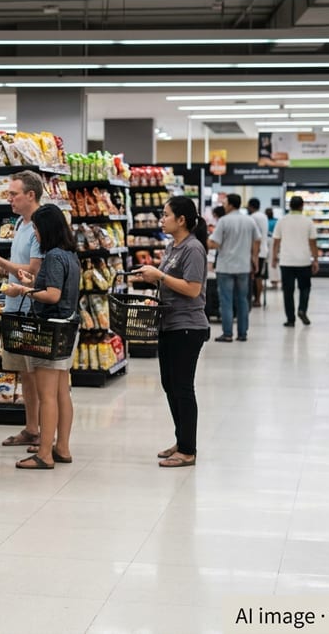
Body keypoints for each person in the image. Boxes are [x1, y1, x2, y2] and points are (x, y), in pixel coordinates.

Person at [1, 204, 80, 470]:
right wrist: (31, 284)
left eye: (36, 228)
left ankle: (44, 454)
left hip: (51, 329)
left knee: (47, 395)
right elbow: (52, 288)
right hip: (67, 328)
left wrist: (22, 291)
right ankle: (62, 448)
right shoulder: (70, 255)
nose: (34, 233)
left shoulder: (55, 256)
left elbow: (53, 295)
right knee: (61, 393)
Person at [134, 196, 209, 468]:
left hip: (188, 326)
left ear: (181, 220)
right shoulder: (172, 246)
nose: (161, 219)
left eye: (166, 215)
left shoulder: (193, 249)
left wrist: (161, 276)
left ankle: (188, 450)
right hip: (168, 322)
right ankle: (181, 438)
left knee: (183, 387)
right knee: (170, 385)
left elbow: (192, 289)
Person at [0, 171, 45, 450]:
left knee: (38, 375)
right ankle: (31, 428)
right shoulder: (20, 223)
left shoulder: (39, 227)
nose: (9, 198)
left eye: (13, 194)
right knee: (25, 374)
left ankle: (45, 432)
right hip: (15, 306)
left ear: (30, 195)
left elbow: (32, 271)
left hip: (31, 307)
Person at [207, 194, 260, 342]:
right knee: (243, 300)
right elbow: (257, 239)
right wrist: (254, 259)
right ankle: (242, 333)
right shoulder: (249, 220)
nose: (224, 205)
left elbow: (215, 243)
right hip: (244, 266)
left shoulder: (224, 221)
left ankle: (228, 333)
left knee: (226, 300)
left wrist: (206, 241)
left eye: (225, 203)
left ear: (230, 205)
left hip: (225, 267)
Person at [270, 195, 319, 327]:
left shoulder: (282, 221)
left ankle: (290, 319)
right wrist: (315, 259)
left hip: (286, 261)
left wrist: (274, 257)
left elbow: (276, 242)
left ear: (290, 206)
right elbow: (313, 242)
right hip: (303, 261)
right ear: (302, 206)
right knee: (305, 288)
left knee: (288, 291)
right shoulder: (308, 221)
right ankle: (302, 309)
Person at [247, 198, 269, 308]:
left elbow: (253, 236)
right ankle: (257, 299)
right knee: (259, 276)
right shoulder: (264, 216)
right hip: (263, 250)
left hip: (257, 251)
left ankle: (257, 300)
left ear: (251, 206)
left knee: (255, 276)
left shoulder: (253, 217)